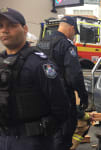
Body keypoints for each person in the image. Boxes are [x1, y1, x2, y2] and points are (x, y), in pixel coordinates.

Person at [0, 8, 69, 150]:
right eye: (1, 26)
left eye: (12, 25)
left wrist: (44, 130)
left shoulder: (39, 64)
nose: (4, 30)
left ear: (25, 29)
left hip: (31, 141)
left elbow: (61, 106)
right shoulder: (1, 61)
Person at [40, 16, 88, 150]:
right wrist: (83, 96)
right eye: (74, 33)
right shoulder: (66, 45)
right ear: (72, 28)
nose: (74, 36)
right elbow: (75, 76)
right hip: (62, 97)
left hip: (42, 97)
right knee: (63, 134)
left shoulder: (42, 43)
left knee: (46, 133)